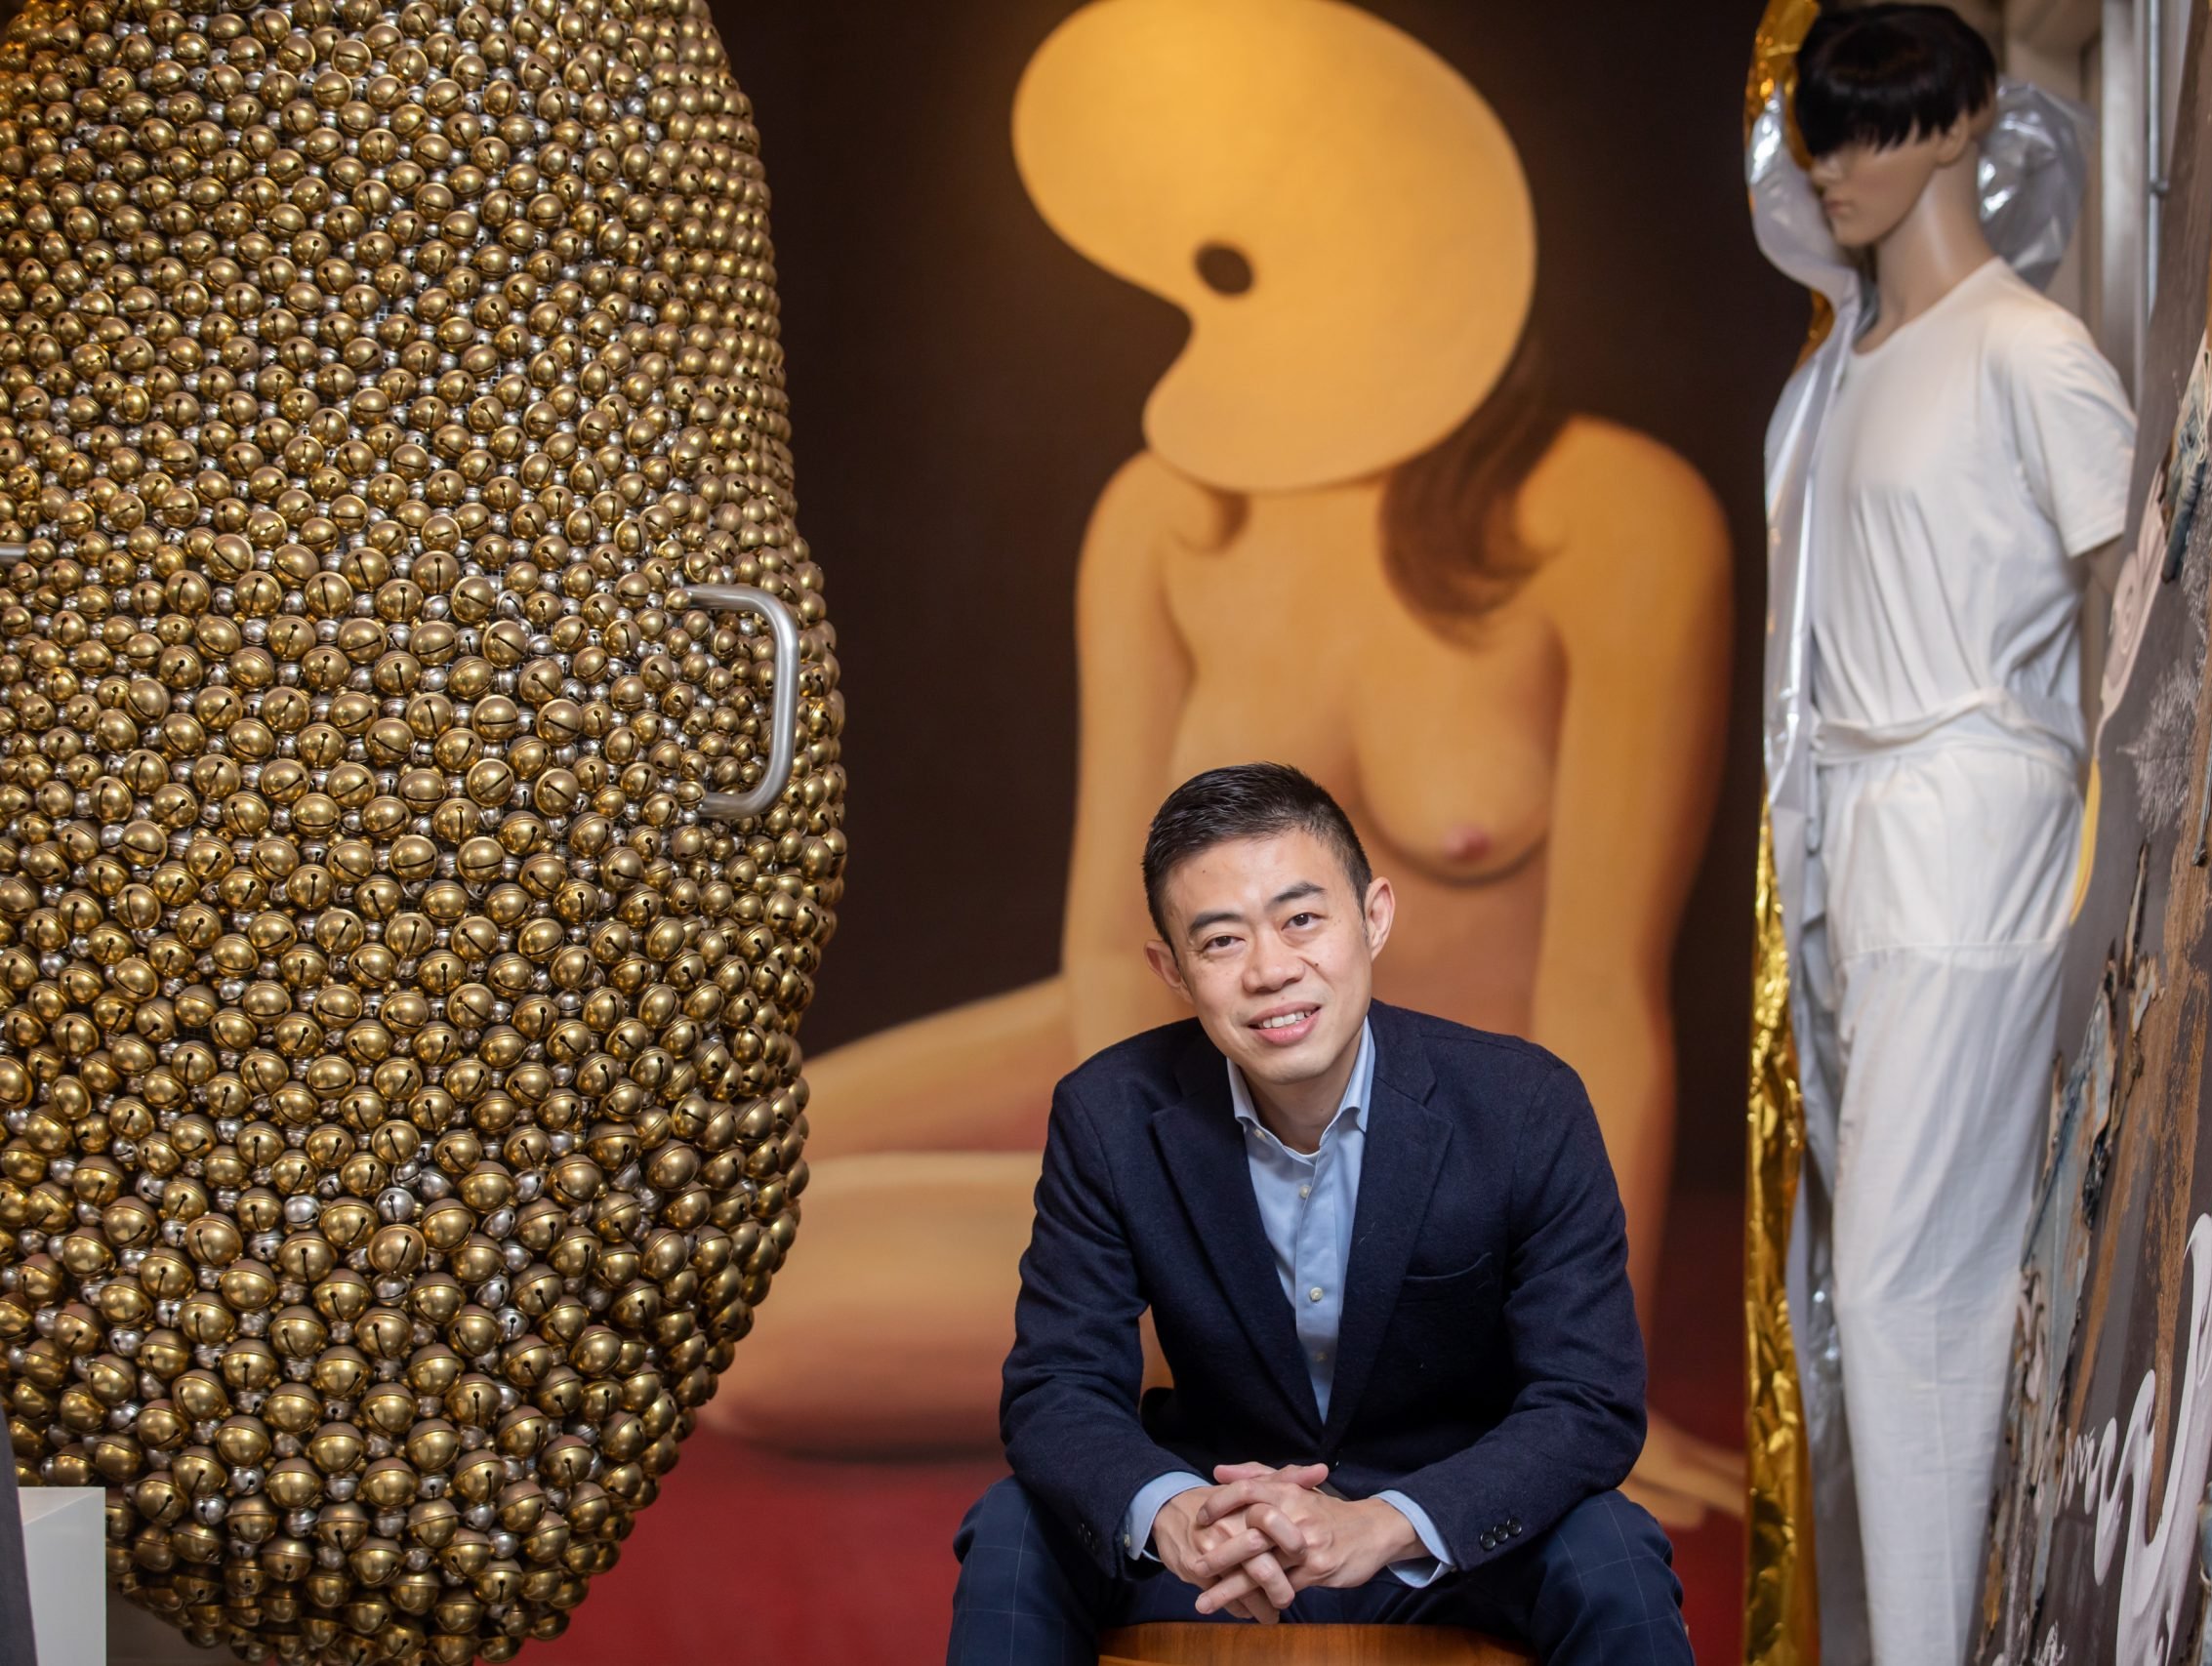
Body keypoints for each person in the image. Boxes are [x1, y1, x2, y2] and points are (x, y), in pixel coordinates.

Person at [715, 0, 1741, 1524]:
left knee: (758, 1312)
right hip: (1198, 1080)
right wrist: (1113, 1224)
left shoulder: (1618, 518)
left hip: (1424, 1156)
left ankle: (1328, 1329)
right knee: (719, 1163)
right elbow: (1103, 951)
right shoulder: (1166, 516)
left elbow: (1604, 987)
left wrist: (1596, 1380)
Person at [947, 763, 1694, 1664]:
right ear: (1173, 970)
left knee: (1611, 1546)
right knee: (1015, 1524)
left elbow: (1589, 1399)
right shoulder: (1108, 1114)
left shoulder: (1524, 1103)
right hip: (1217, 1535)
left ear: (1374, 916)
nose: (1270, 970)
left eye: (1303, 919)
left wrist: (1383, 1524)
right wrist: (1175, 1511)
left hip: (1437, 1536)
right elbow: (1053, 1388)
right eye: (1220, 941)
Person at [1779, 8, 2137, 1662]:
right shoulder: (1844, 375)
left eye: (1874, 125)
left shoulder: (2030, 350)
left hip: (1975, 807)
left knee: (1915, 1286)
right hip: (1854, 830)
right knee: (1898, 1286)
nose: (1839, 166)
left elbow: (2146, 622)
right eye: (1820, 131)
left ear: (1959, 124)